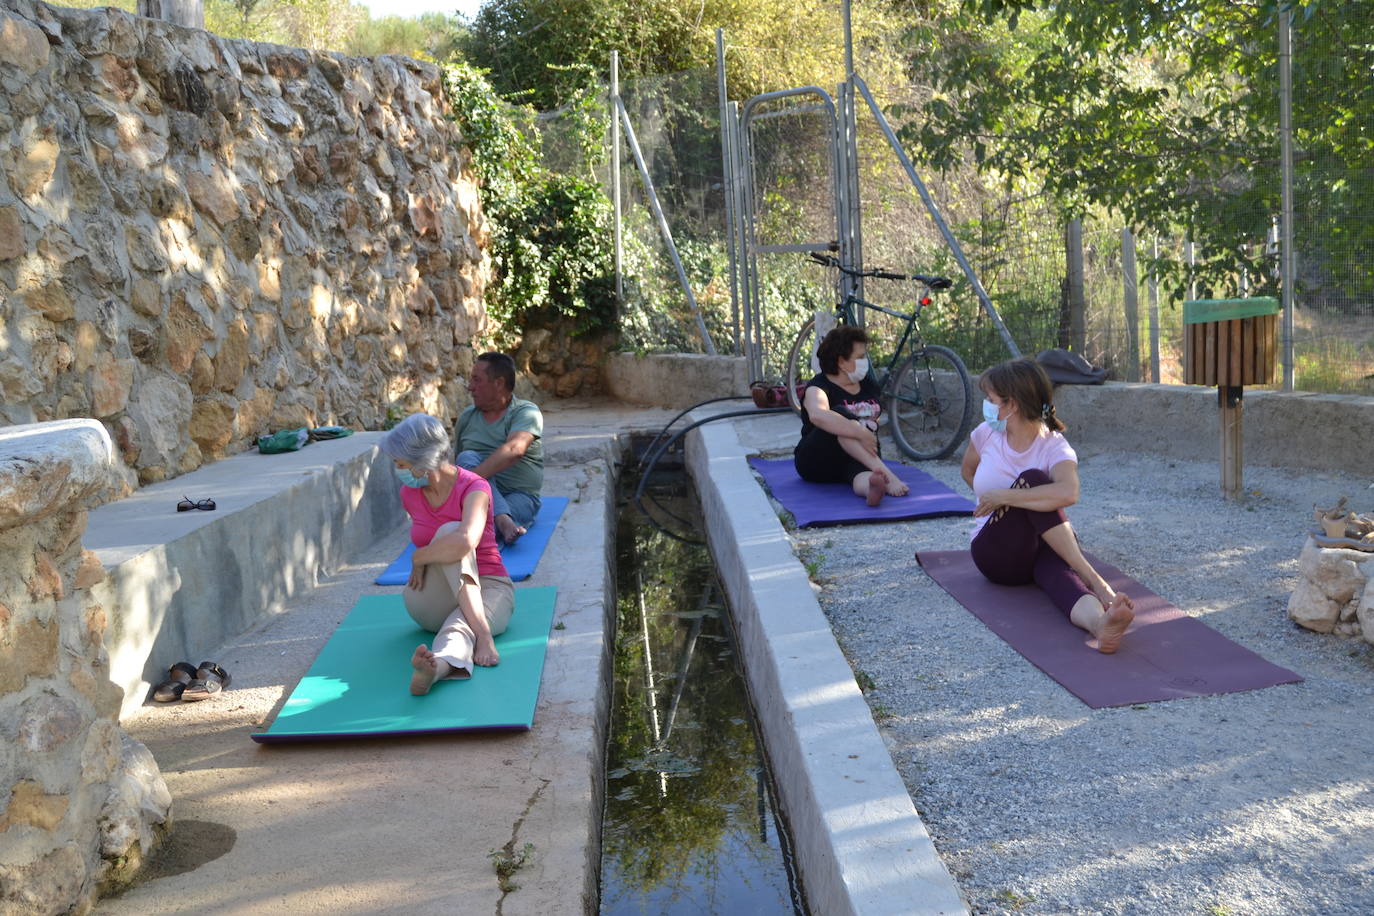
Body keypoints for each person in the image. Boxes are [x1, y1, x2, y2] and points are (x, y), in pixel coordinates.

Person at [960, 357, 1135, 653]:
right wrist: (996, 505)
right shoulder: (986, 434)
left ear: (1011, 404)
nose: (986, 405)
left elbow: (1070, 492)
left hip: (1043, 548)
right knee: (1034, 482)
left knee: (1061, 579)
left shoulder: (1054, 445)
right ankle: (1097, 582)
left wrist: (1005, 496)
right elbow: (968, 471)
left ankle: (1100, 625)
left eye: (991, 399)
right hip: (996, 553)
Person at [381, 413, 515, 695]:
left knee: (454, 536)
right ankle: (481, 633)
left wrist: (420, 557)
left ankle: (437, 668)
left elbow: (466, 541)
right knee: (449, 535)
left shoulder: (475, 488)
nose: (397, 470)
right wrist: (423, 558)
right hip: (427, 600)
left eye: (400, 463)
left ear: (422, 462)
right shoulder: (409, 493)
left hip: (489, 586)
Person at [794, 325, 910, 506]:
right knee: (842, 415)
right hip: (817, 458)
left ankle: (873, 489)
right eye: (861, 357)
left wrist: (864, 434)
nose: (866, 361)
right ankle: (889, 477)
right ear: (842, 362)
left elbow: (874, 419)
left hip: (855, 457)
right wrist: (859, 432)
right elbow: (818, 415)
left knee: (865, 475)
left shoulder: (868, 386)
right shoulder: (818, 386)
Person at [455, 352, 544, 545]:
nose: (470, 387)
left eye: (477, 380)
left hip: (519, 496)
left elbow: (515, 450)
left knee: (477, 527)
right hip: (475, 499)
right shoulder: (467, 418)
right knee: (467, 456)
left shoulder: (525, 412)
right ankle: (502, 519)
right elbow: (459, 465)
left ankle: (498, 519)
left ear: (498, 383)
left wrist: (470, 481)